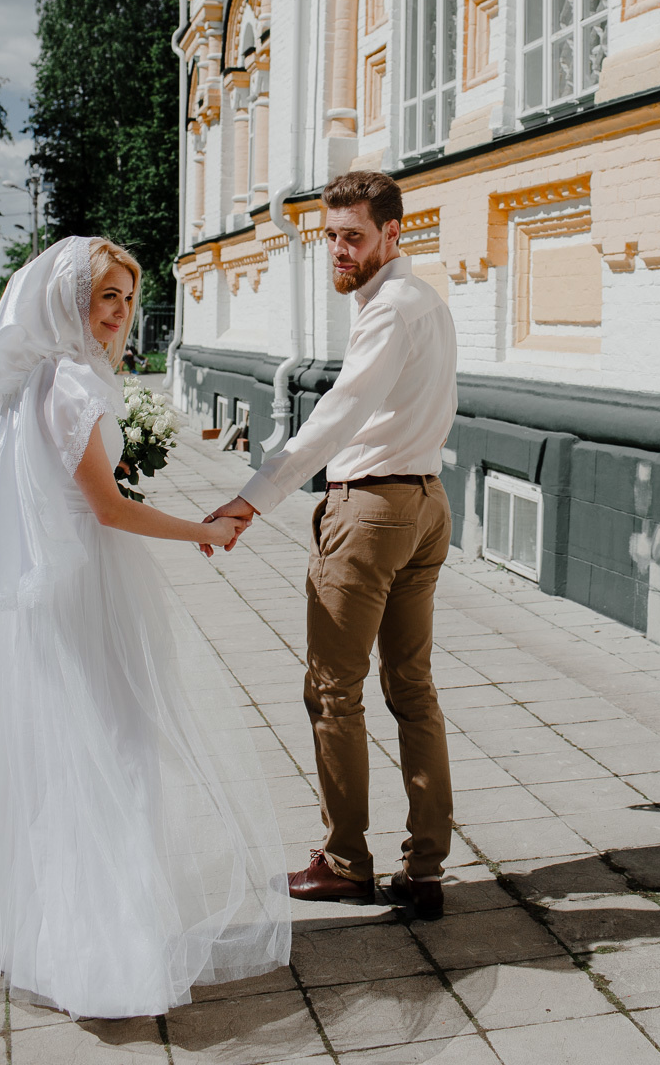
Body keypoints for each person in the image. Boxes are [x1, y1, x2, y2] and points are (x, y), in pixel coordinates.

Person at [0, 235, 291, 1018]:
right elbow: (106, 507)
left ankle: (40, 930)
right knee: (116, 754)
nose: (120, 313)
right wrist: (203, 532)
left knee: (68, 752)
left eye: (127, 297)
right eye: (106, 296)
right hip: (89, 589)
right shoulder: (70, 384)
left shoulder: (38, 378)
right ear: (68, 301)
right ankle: (102, 954)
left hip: (61, 588)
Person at [211, 172, 458, 921]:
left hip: (373, 512)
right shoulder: (428, 303)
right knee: (411, 690)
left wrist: (254, 496)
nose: (339, 250)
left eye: (352, 236)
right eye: (331, 237)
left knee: (332, 691)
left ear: (392, 233)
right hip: (424, 505)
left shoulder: (389, 308)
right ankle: (425, 871)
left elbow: (341, 412)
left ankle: (347, 863)